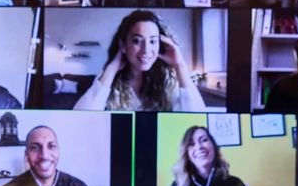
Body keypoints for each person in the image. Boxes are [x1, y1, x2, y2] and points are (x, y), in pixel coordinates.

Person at [75, 9, 206, 111]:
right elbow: (80, 117)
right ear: (123, 45)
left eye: (153, 41)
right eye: (137, 41)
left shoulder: (170, 79)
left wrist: (180, 65)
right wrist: (112, 68)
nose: (146, 50)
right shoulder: (108, 76)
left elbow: (198, 119)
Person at [159, 124, 260, 186]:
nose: (199, 147)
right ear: (187, 154)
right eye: (191, 144)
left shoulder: (236, 184)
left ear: (214, 148)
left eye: (204, 140)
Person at [0, 125, 100, 186]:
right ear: (26, 155)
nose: (44, 156)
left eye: (51, 146)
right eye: (35, 148)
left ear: (58, 151)